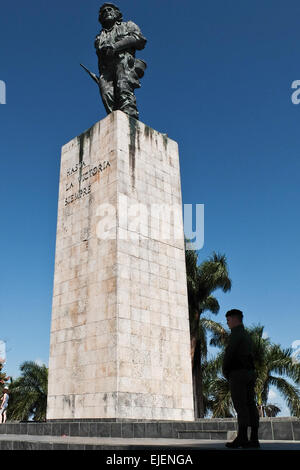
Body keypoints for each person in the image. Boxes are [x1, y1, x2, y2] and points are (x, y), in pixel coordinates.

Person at [94, 3, 147, 120]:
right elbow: (100, 56)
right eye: (104, 11)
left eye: (110, 9)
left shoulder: (128, 25)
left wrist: (115, 46)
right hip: (106, 69)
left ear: (117, 13)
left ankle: (129, 118)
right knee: (106, 94)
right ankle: (116, 120)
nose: (107, 12)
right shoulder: (99, 37)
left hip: (124, 62)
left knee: (123, 89)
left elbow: (138, 39)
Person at [222, 309, 260, 449]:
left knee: (241, 405)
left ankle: (242, 437)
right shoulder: (246, 335)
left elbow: (230, 353)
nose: (227, 323)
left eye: (228, 320)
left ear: (234, 319)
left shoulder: (236, 334)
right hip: (249, 373)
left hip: (238, 373)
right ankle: (254, 439)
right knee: (250, 404)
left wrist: (225, 370)